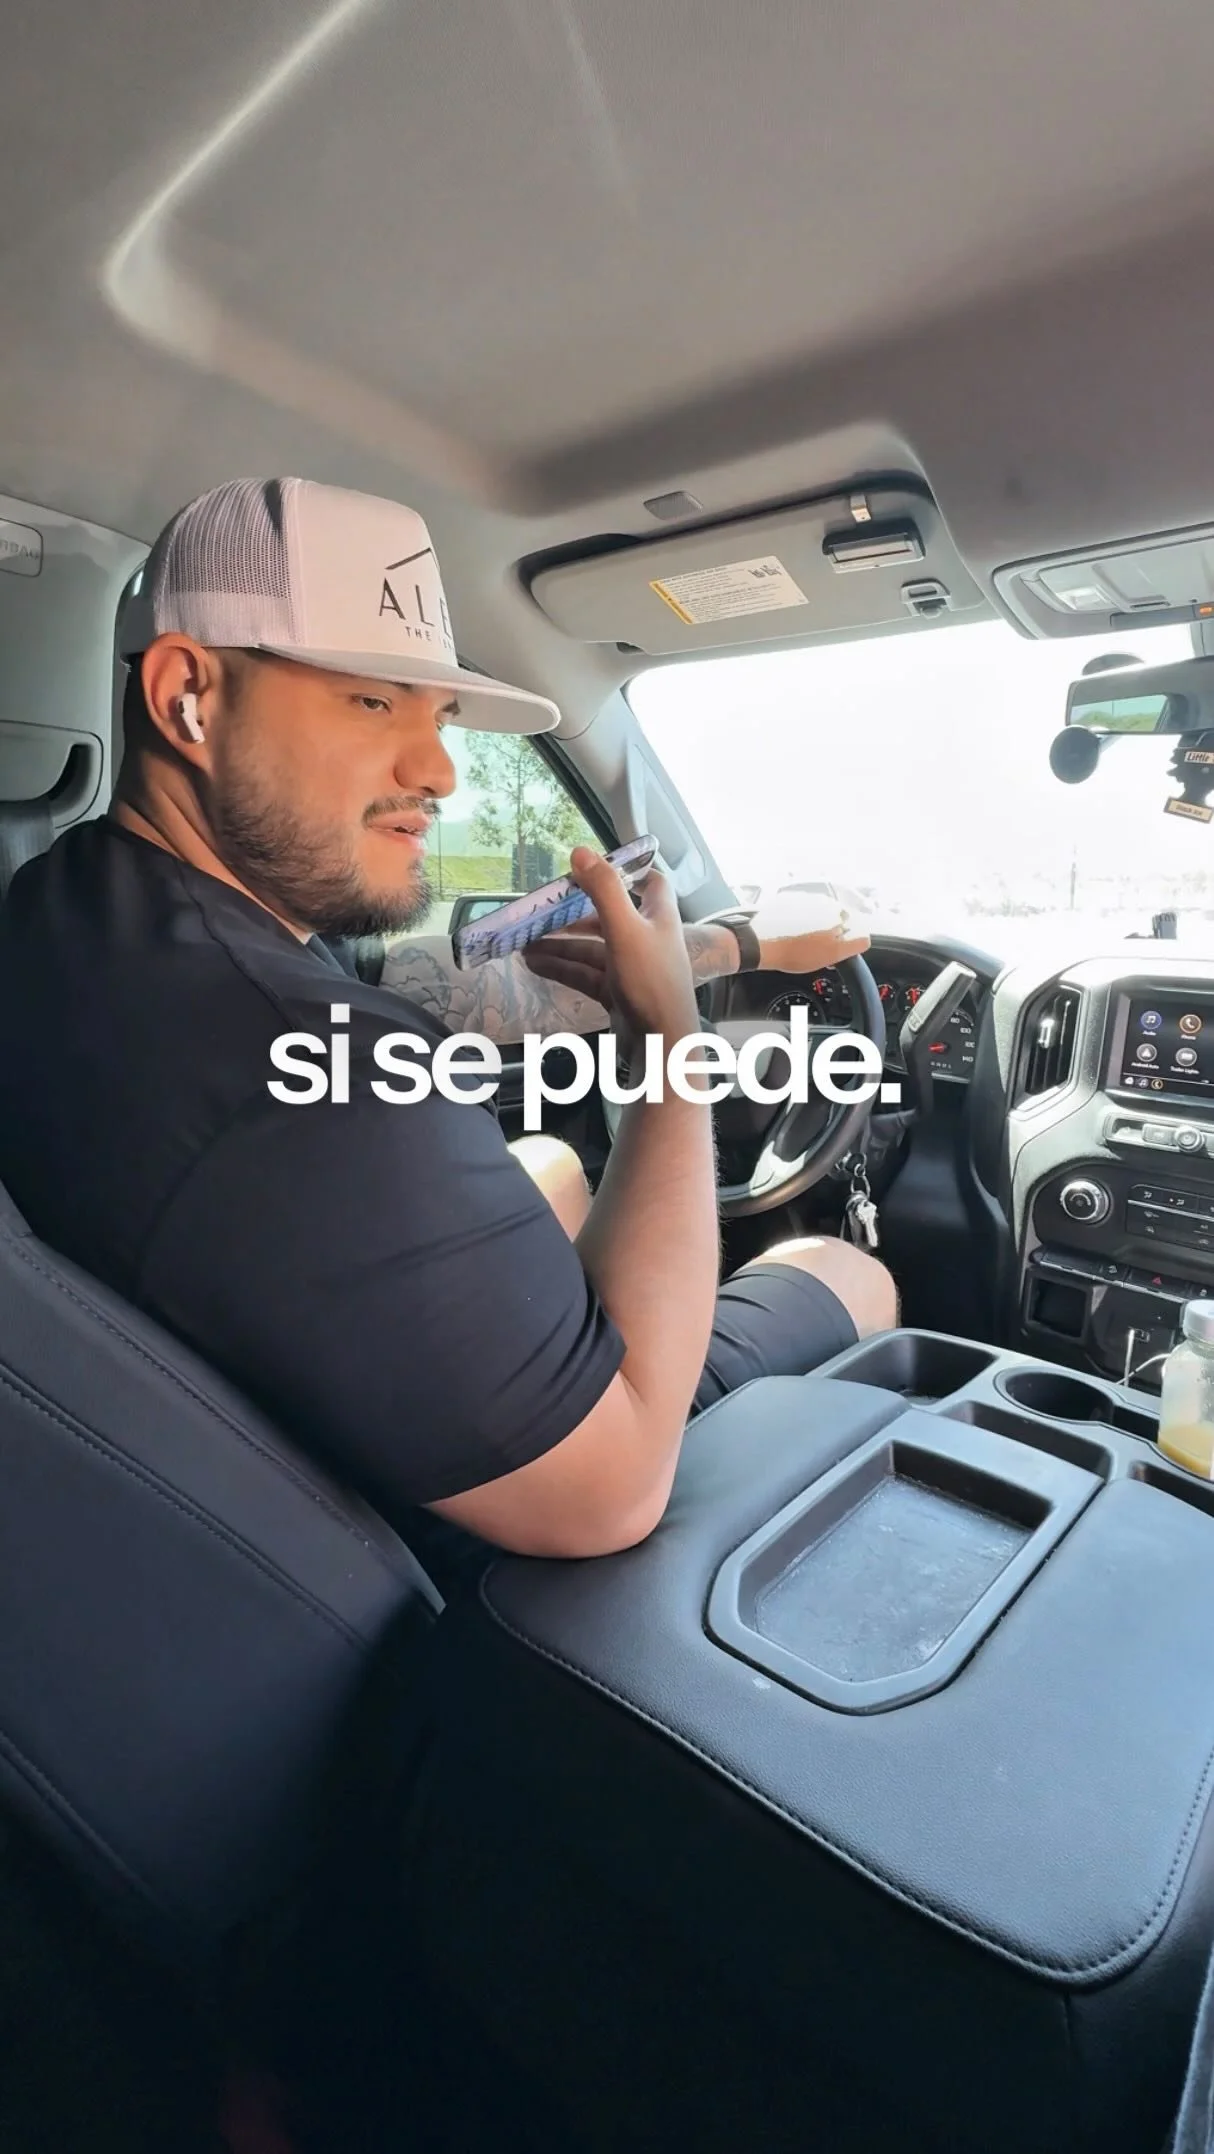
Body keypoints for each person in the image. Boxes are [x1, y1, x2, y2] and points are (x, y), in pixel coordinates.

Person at [0, 477, 896, 1587]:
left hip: (231, 1448)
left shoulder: (79, 906)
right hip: (446, 1551)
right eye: (374, 703)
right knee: (837, 1266)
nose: (438, 772)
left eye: (440, 719)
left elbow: (427, 985)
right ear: (189, 696)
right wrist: (668, 1047)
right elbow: (615, 1491)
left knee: (552, 1160)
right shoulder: (322, 1088)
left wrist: (726, 950)